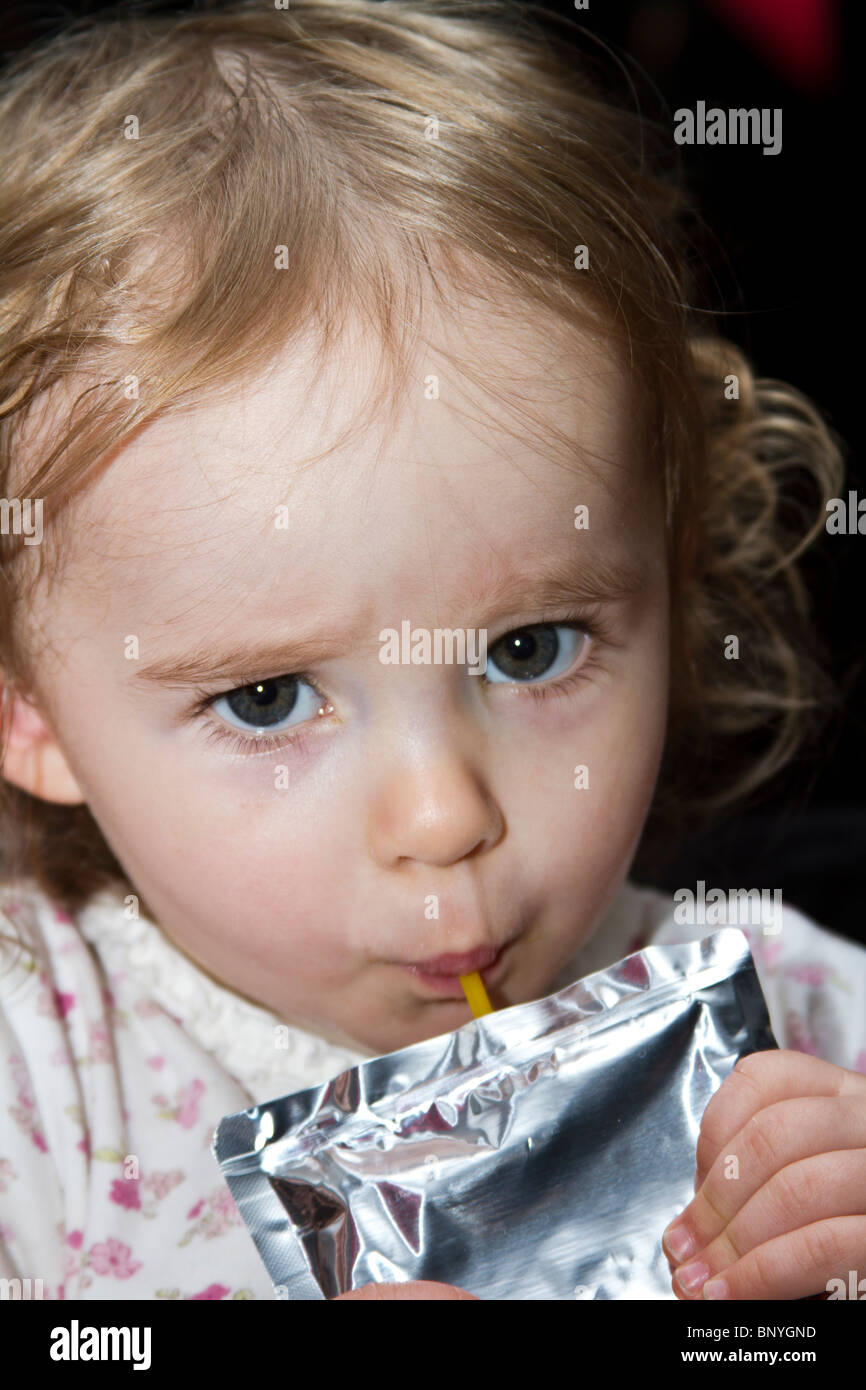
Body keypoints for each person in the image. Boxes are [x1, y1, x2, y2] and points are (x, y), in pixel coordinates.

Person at [0, 0, 863, 1304]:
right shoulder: (37, 1087)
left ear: (672, 580)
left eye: (527, 647)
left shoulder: (808, 1026)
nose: (443, 813)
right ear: (29, 714)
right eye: (267, 695)